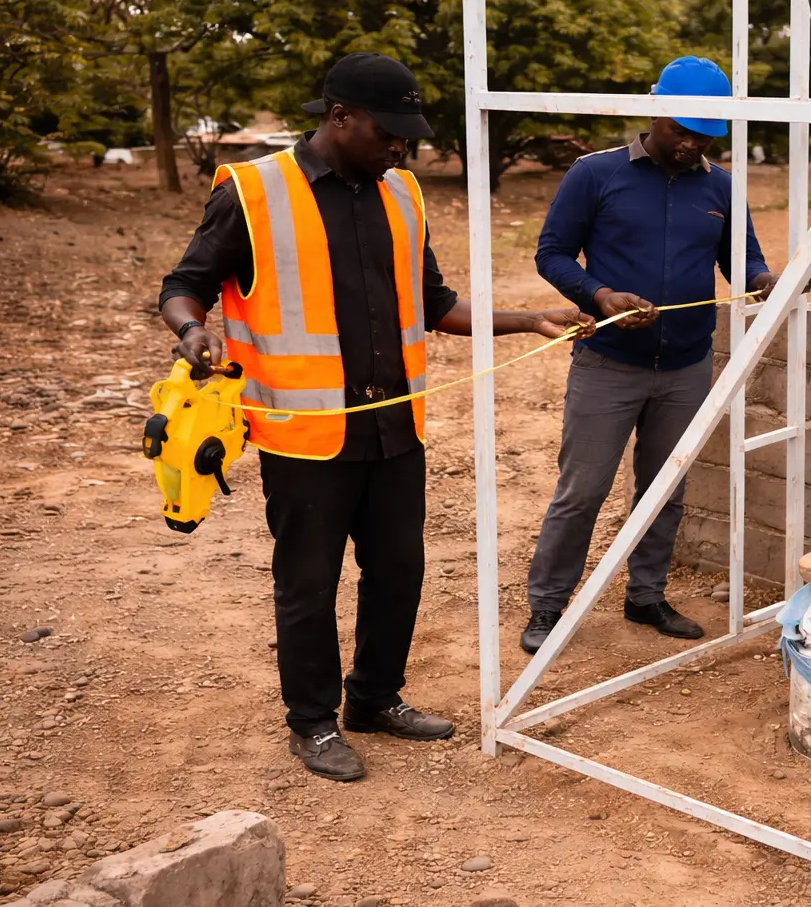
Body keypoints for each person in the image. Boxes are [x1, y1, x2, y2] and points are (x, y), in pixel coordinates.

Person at [158, 53, 591, 780]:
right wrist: (191, 330)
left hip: (394, 430)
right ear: (340, 117)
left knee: (398, 571)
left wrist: (529, 318)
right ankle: (313, 723)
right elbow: (185, 283)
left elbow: (432, 304)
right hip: (305, 439)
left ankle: (375, 698)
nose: (401, 149)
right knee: (309, 583)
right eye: (390, 133)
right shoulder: (256, 191)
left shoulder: (401, 193)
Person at [522, 56, 776, 654]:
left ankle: (646, 595)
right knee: (582, 490)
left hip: (687, 367)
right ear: (654, 109)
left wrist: (766, 278)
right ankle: (549, 605)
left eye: (704, 134)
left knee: (665, 487)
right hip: (608, 362)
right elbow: (552, 254)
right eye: (679, 130)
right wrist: (600, 295)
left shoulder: (720, 186)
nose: (690, 144)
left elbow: (743, 259)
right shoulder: (594, 174)